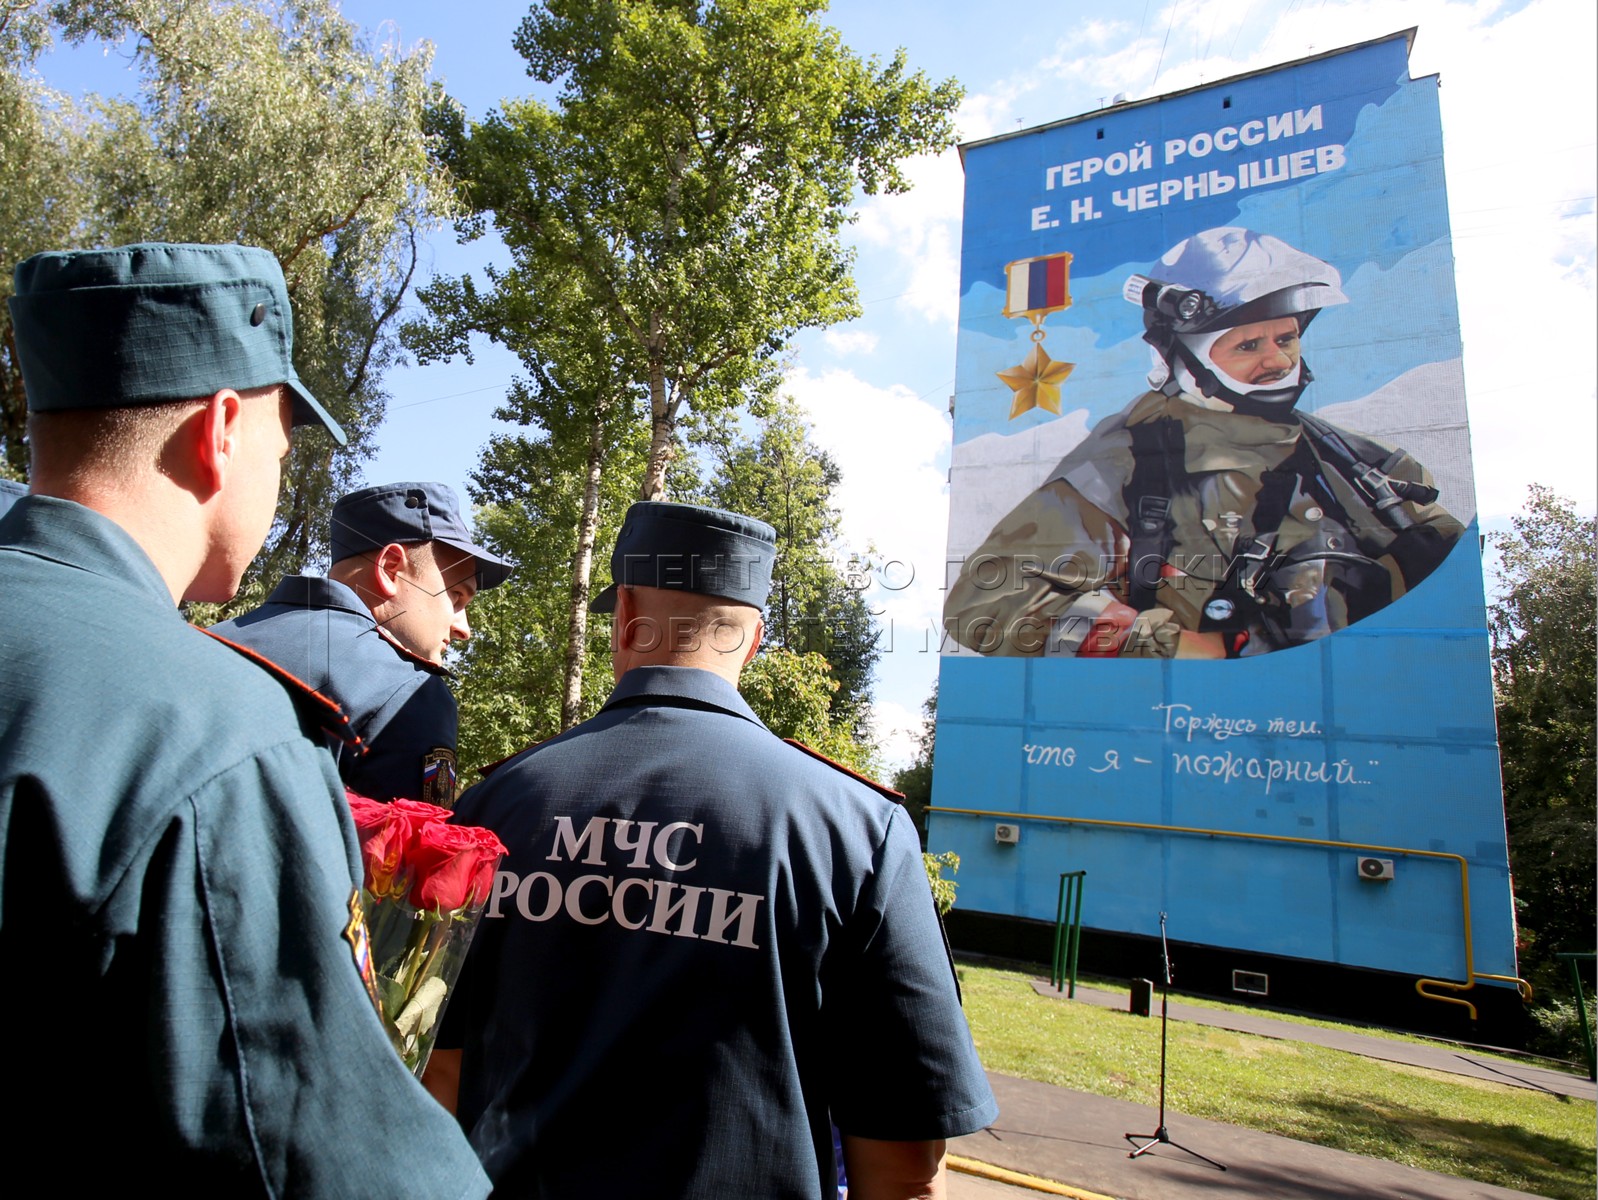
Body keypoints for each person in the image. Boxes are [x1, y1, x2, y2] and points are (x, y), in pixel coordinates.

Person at [0, 241, 490, 1196]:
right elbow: (317, 1145)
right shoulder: (222, 732)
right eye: (283, 438)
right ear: (222, 428)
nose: (281, 467)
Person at [428, 501, 998, 1199]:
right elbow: (903, 1165)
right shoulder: (856, 830)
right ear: (753, 638)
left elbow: (441, 1076)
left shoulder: (495, 805)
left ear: (626, 614)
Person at [945, 226, 1464, 659]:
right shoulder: (1128, 464)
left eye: (1286, 339)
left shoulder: (1358, 464)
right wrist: (1187, 649)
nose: (1279, 361)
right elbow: (987, 605)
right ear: (1182, 359)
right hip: (1200, 739)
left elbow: (1454, 587)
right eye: (1248, 345)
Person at [211, 481, 513, 805]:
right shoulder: (410, 692)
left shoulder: (210, 639)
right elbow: (394, 853)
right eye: (456, 597)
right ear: (390, 569)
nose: (463, 629)